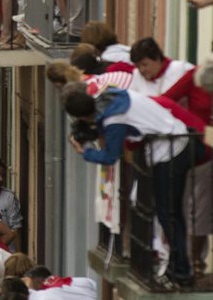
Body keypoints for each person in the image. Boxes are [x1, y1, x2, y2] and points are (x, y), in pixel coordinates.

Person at [63, 82, 201, 287]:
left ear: (83, 115)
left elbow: (111, 155)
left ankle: (181, 271)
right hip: (173, 141)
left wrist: (85, 151)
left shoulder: (114, 119)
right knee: (169, 215)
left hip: (171, 151)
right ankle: (177, 267)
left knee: (168, 215)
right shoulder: (110, 96)